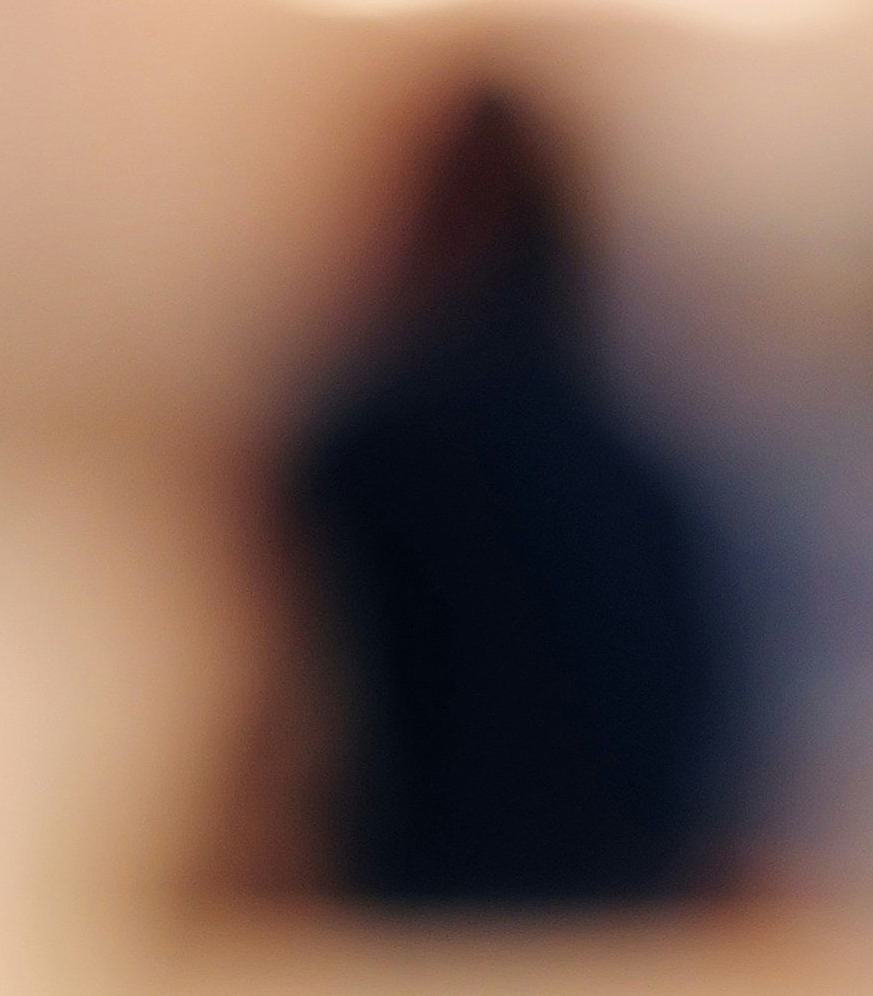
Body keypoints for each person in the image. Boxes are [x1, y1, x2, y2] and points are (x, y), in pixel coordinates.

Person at [266, 77, 767, 925]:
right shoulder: (649, 461)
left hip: (412, 919)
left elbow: (302, 707)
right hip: (612, 926)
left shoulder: (363, 446)